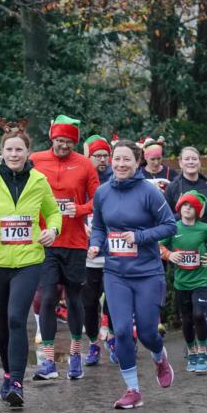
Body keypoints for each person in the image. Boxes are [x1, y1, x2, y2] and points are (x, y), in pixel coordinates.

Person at [0, 124, 61, 407]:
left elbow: (53, 213)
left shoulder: (39, 180)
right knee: (2, 323)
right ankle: (7, 374)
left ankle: (17, 382)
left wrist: (52, 231)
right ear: (2, 152)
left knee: (17, 317)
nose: (14, 154)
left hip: (29, 259)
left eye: (19, 149)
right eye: (9, 149)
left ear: (28, 151)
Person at [88, 140, 177, 409]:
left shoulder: (149, 192)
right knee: (123, 331)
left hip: (148, 272)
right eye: (117, 159)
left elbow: (170, 226)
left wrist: (139, 236)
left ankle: (160, 358)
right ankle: (133, 390)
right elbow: (100, 227)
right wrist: (95, 243)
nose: (120, 164)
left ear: (137, 161)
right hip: (116, 273)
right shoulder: (102, 193)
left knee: (148, 333)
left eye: (127, 159)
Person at [30, 115, 100, 381]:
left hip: (75, 242)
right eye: (59, 140)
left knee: (74, 299)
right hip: (45, 241)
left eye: (69, 142)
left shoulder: (84, 165)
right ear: (52, 138)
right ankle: (48, 361)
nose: (63, 146)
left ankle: (75, 355)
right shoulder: (36, 160)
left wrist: (79, 209)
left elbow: (98, 198)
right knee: (47, 297)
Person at [165, 146, 207, 361]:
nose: (191, 162)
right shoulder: (174, 188)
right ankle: (191, 342)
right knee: (186, 298)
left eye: (195, 158)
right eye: (187, 159)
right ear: (180, 163)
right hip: (182, 251)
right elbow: (164, 217)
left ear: (199, 162)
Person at [159, 191, 207, 373]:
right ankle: (191, 351)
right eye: (185, 205)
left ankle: (202, 351)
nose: (187, 208)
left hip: (200, 280)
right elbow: (159, 246)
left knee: (198, 315)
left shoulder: (204, 229)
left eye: (192, 206)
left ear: (197, 210)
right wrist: (169, 255)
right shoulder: (173, 228)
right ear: (179, 207)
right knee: (186, 319)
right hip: (181, 282)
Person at [81, 135, 114, 364]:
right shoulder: (81, 180)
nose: (102, 160)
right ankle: (93, 343)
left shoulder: (116, 180)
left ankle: (113, 340)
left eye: (105, 155)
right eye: (97, 155)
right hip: (88, 254)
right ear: (89, 157)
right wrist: (82, 227)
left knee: (113, 300)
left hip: (114, 253)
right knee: (89, 302)